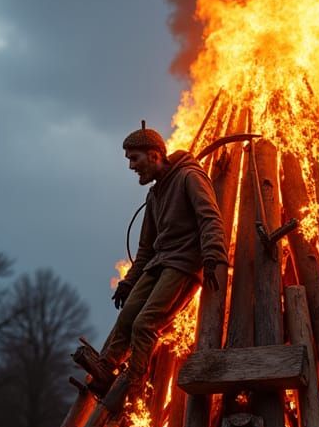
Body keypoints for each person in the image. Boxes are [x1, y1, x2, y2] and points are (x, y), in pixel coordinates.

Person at [87, 124, 229, 401]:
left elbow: (209, 217)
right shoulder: (154, 196)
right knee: (127, 316)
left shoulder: (189, 176)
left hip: (184, 263)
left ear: (154, 155)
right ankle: (107, 366)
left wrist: (212, 255)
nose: (131, 166)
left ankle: (134, 389)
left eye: (134, 158)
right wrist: (128, 282)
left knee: (145, 324)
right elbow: (145, 249)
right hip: (159, 263)